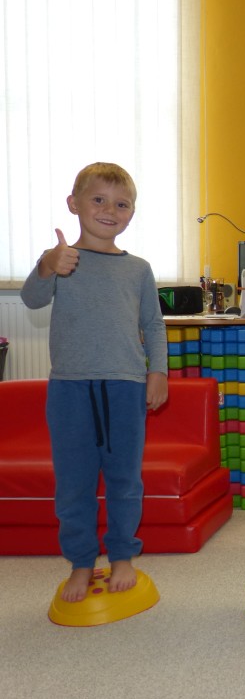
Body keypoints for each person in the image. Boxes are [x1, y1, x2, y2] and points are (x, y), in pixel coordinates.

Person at [20, 162, 168, 602]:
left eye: (121, 204)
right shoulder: (62, 260)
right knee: (74, 483)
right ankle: (81, 562)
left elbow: (153, 324)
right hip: (70, 389)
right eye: (98, 200)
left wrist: (158, 372)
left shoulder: (138, 269)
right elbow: (31, 299)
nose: (109, 210)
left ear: (132, 213)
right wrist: (47, 265)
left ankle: (122, 555)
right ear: (74, 204)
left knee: (125, 479)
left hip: (125, 386)